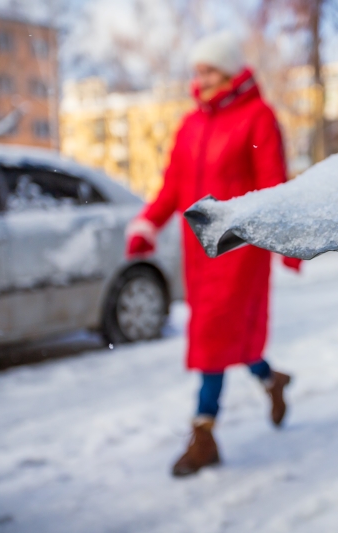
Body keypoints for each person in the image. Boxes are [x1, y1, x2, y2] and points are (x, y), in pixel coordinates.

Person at [125, 31, 300, 477]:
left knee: (213, 336)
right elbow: (173, 187)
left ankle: (203, 435)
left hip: (241, 248)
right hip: (199, 249)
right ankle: (271, 379)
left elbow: (273, 185)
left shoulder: (258, 118)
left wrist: (289, 241)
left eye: (208, 70)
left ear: (229, 71)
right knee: (226, 336)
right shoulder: (190, 126)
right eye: (196, 71)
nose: (199, 79)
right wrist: (149, 224)